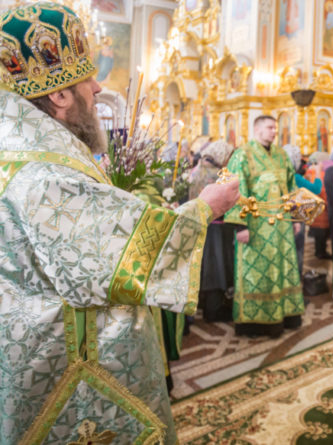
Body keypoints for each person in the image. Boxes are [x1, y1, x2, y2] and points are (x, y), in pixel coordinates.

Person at [0, 4, 240, 443]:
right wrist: (205, 206)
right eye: (86, 81)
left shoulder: (16, 154)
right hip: (63, 356)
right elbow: (122, 258)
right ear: (59, 96)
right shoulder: (44, 172)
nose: (97, 86)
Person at [225, 116, 304, 338]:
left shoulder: (280, 154)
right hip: (256, 226)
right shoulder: (243, 154)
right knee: (257, 272)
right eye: (269, 128)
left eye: (275, 128)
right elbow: (236, 191)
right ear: (257, 129)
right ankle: (255, 322)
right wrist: (240, 226)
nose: (273, 132)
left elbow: (291, 186)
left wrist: (296, 217)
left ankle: (286, 314)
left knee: (283, 268)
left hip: (281, 224)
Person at [189, 140, 238, 322]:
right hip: (216, 228)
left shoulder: (195, 171)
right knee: (216, 268)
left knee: (203, 267)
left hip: (197, 225)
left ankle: (202, 304)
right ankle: (213, 310)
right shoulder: (218, 176)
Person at [283, 144, 322, 276]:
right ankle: (297, 284)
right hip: (296, 218)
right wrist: (317, 174)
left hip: (281, 218)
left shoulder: (282, 175)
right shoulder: (295, 177)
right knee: (297, 251)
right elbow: (316, 189)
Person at [306, 151, 332, 259]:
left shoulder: (311, 172)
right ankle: (320, 252)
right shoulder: (318, 173)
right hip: (321, 208)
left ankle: (321, 251)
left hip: (318, 209)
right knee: (320, 233)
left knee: (321, 233)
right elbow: (321, 190)